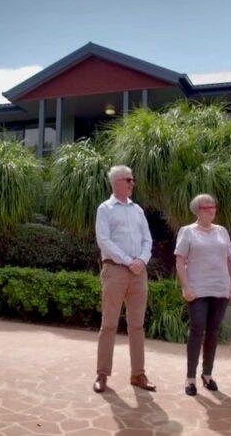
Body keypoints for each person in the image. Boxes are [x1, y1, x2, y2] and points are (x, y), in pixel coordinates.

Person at [93, 165, 156, 393]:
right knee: (109, 324)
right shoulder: (105, 209)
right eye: (128, 180)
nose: (132, 183)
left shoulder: (137, 210)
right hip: (115, 271)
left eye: (132, 179)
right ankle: (102, 374)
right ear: (116, 182)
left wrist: (142, 260)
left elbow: (148, 239)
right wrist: (129, 261)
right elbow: (104, 240)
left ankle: (138, 374)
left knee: (137, 326)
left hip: (139, 273)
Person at [175, 194, 231, 396]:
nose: (211, 210)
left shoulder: (222, 231)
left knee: (213, 331)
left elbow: (230, 261)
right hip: (198, 290)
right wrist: (186, 287)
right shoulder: (187, 231)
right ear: (197, 210)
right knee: (197, 329)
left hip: (220, 288)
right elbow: (180, 262)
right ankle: (190, 378)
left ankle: (207, 374)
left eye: (213, 207)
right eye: (206, 207)